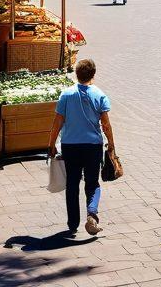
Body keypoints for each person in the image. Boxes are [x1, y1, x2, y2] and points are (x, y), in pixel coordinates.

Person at [47, 59, 115, 237]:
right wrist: (112, 145)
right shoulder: (100, 95)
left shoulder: (66, 95)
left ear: (76, 74)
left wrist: (51, 144)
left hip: (70, 146)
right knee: (92, 183)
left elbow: (58, 122)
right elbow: (106, 125)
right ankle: (92, 214)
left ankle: (72, 224)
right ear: (93, 74)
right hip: (93, 147)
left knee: (72, 184)